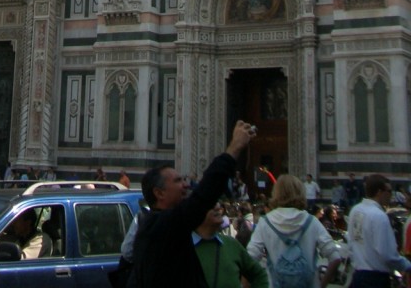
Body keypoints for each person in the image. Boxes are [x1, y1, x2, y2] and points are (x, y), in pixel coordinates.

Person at [130, 120, 256, 288]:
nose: (186, 185)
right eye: (178, 181)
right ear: (159, 193)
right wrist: (234, 148)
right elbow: (203, 197)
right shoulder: (161, 226)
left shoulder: (157, 226)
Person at [247, 174, 341, 288]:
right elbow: (335, 258)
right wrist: (322, 285)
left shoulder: (265, 223)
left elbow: (249, 259)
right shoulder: (312, 222)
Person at [347, 174, 411, 287]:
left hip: (357, 274)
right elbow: (387, 254)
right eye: (389, 191)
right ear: (379, 192)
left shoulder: (355, 211)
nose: (391, 195)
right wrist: (407, 265)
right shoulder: (379, 216)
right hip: (375, 278)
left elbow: (351, 241)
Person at [193, 203, 268, 288]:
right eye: (210, 202)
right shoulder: (182, 248)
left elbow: (259, 275)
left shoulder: (231, 244)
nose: (218, 207)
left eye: (216, 202)